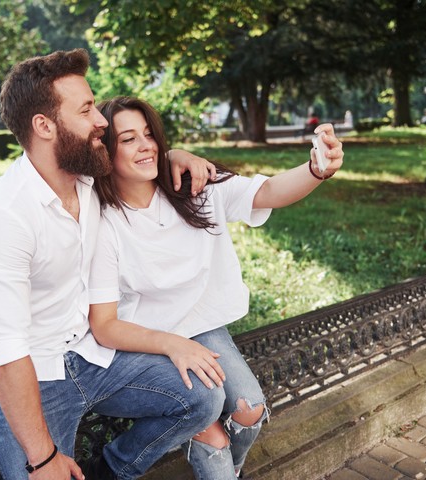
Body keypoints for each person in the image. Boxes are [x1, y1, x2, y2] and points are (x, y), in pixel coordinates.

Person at [0, 49, 225, 480]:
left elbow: (140, 159)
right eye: (86, 109)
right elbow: (7, 352)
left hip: (92, 353)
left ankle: (110, 470)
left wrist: (175, 155)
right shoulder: (1, 215)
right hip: (28, 372)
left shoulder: (89, 177)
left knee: (202, 398)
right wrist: (43, 459)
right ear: (44, 126)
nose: (101, 120)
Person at [88, 97, 343, 479]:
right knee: (213, 436)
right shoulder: (101, 219)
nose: (146, 146)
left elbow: (268, 191)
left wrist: (315, 169)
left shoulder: (194, 185)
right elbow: (106, 323)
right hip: (142, 339)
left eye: (149, 135)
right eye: (128, 139)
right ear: (107, 151)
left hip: (199, 325)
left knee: (249, 410)